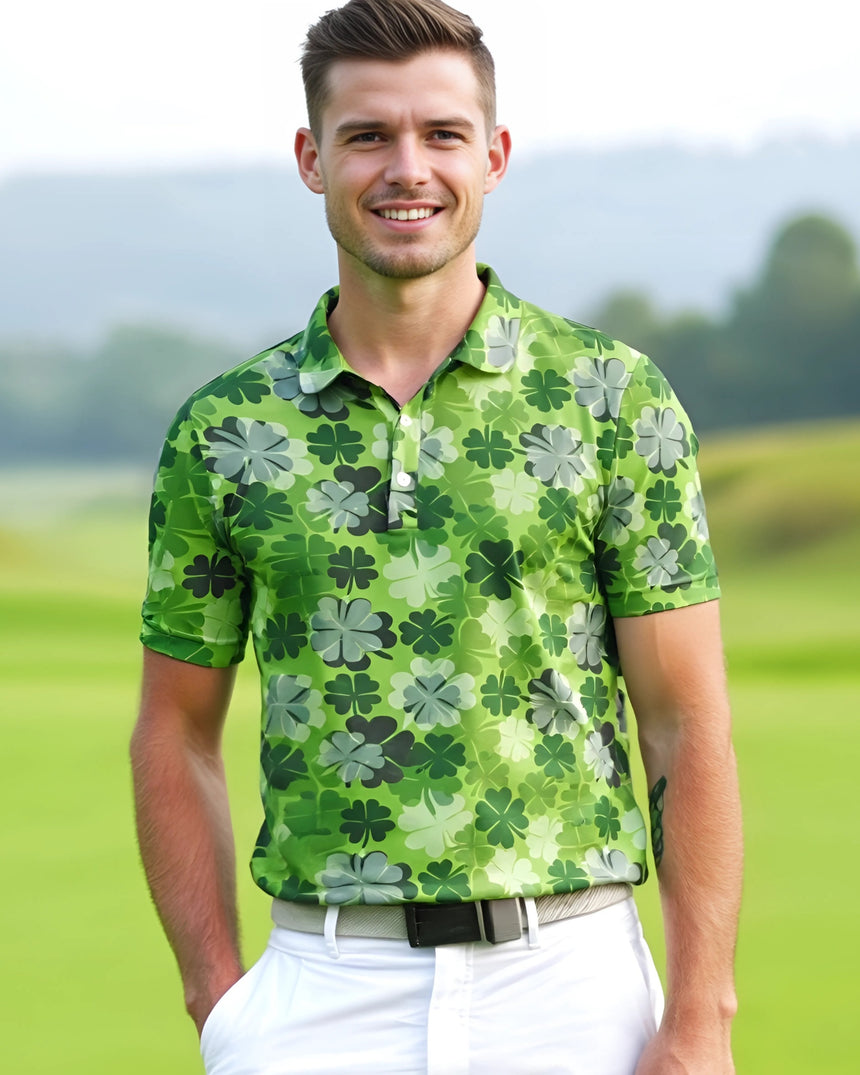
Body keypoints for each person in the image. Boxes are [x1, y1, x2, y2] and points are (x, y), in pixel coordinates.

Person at [130, 1, 743, 1072]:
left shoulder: (607, 397)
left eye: (441, 135)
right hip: (318, 989)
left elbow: (684, 724)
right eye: (367, 135)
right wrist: (217, 998)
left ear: (493, 156)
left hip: (572, 985)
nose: (405, 167)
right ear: (310, 158)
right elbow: (174, 731)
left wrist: (698, 1019)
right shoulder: (227, 429)